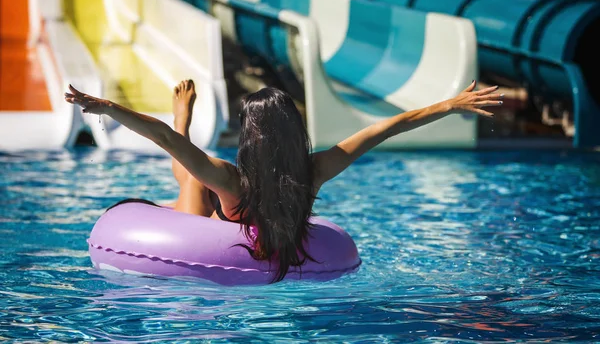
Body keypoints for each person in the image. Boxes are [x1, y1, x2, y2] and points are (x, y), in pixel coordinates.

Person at [65, 80, 502, 281]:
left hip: (205, 216)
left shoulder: (232, 179)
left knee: (192, 175)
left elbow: (163, 139)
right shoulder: (314, 172)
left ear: (249, 136)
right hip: (225, 213)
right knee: (193, 174)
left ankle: (185, 120)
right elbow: (383, 129)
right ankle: (185, 122)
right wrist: (449, 105)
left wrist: (109, 107)